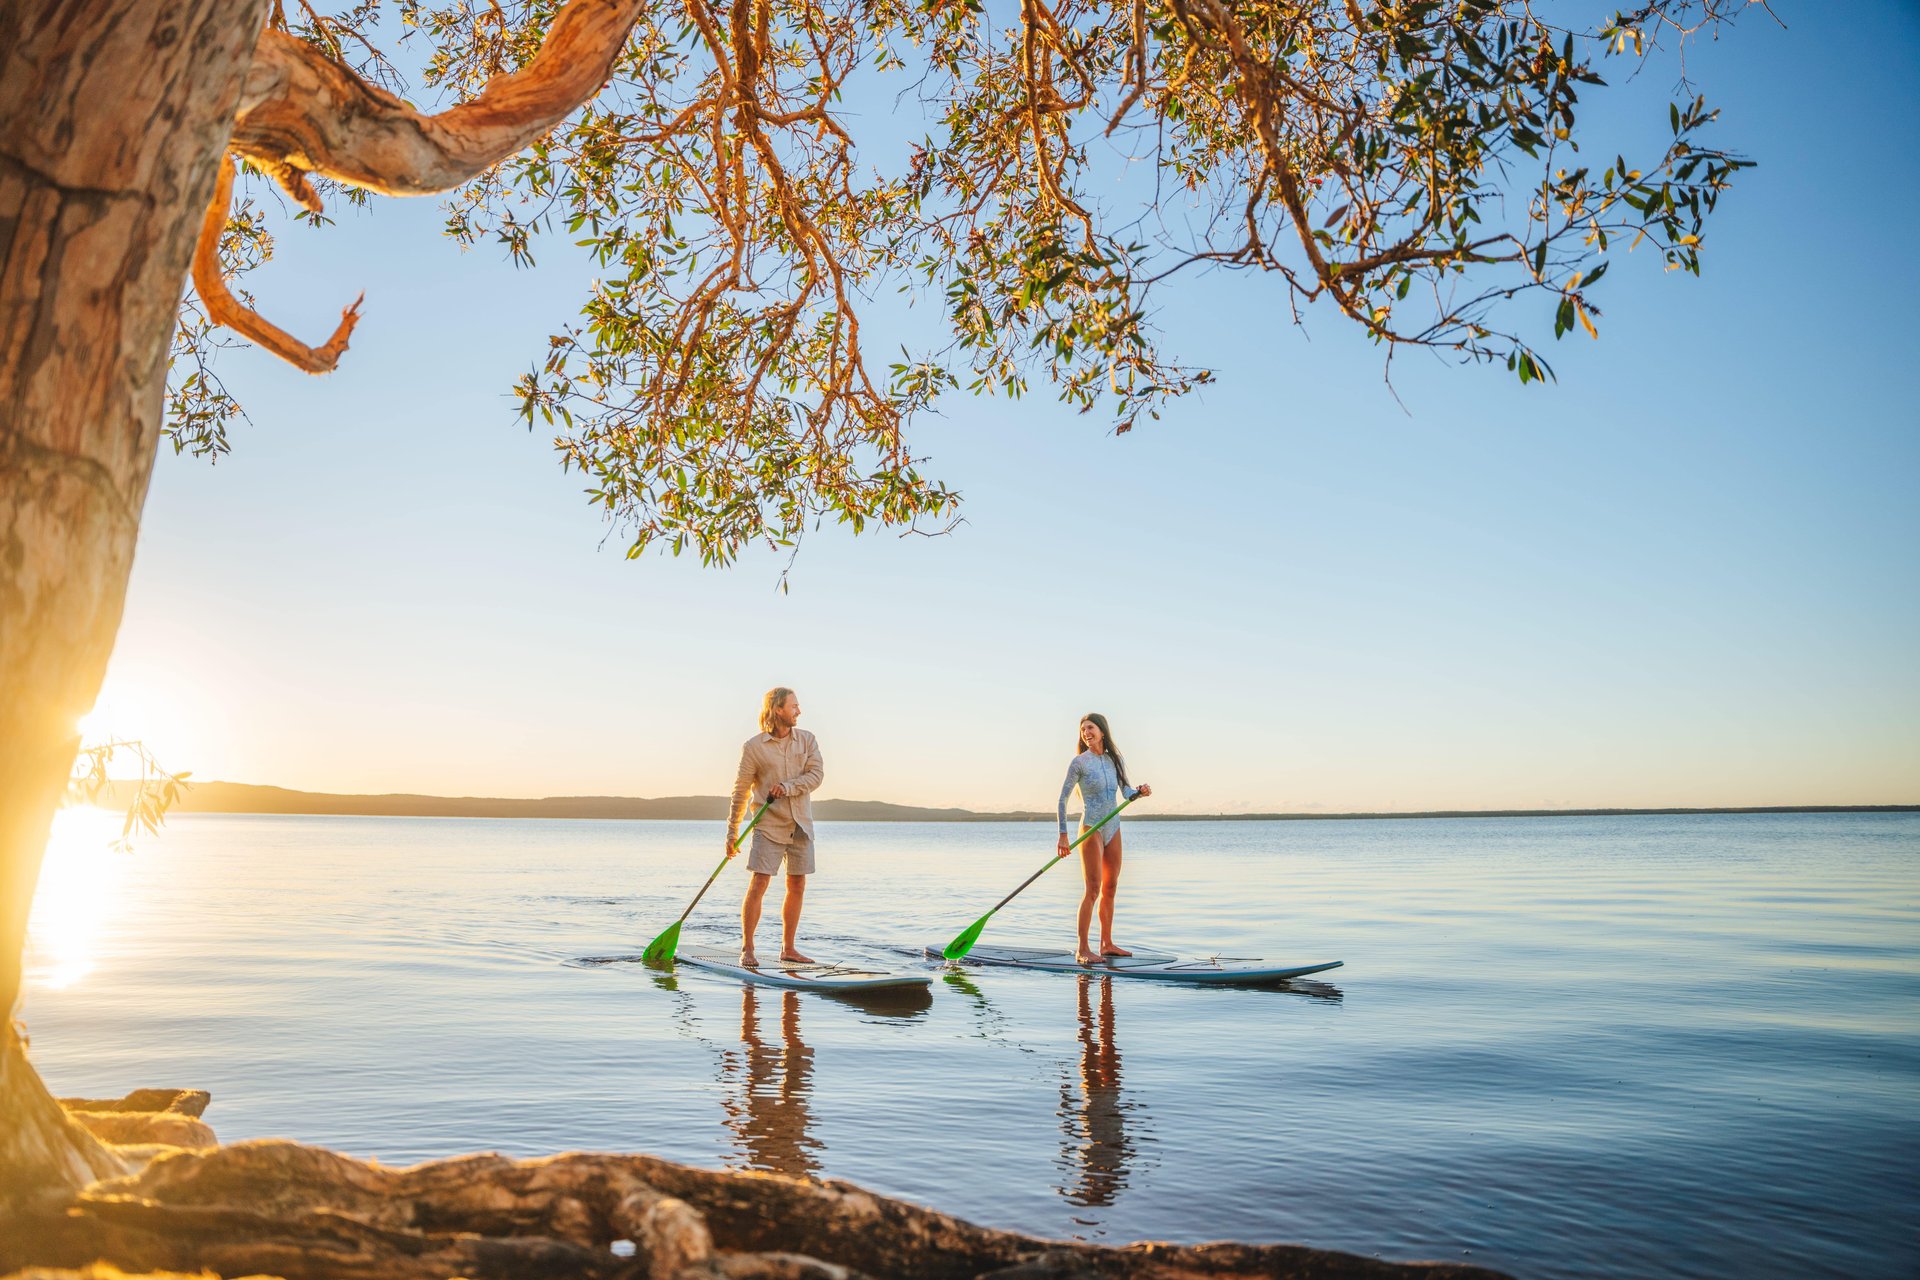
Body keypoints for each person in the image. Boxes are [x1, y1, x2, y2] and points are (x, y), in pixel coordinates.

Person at [728, 686, 824, 966]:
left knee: (797, 884)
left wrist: (789, 786)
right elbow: (740, 791)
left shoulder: (807, 740)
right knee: (759, 882)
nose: (799, 711)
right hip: (768, 825)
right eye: (793, 706)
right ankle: (747, 948)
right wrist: (732, 832)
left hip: (800, 824)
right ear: (777, 709)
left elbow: (816, 776)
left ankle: (789, 949)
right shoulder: (754, 747)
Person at [1056, 712, 1152, 965]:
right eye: (1083, 730)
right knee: (1093, 889)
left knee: (1111, 887)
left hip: (1113, 826)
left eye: (1090, 728)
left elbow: (1126, 791)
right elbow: (1062, 800)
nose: (1086, 733)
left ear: (1102, 731)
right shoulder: (1079, 763)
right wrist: (1063, 836)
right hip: (1091, 828)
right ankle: (1083, 949)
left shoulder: (1114, 760)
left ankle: (1106, 944)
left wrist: (1138, 793)